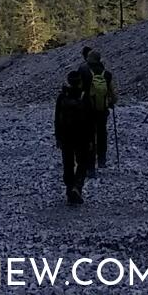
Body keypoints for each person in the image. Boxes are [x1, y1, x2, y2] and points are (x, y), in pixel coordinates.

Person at [54, 68, 96, 204]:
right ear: (80, 82)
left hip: (66, 135)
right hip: (82, 135)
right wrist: (91, 139)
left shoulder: (62, 97)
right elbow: (91, 120)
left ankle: (69, 188)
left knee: (68, 162)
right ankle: (77, 187)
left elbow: (57, 118)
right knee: (83, 162)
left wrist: (58, 137)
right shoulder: (85, 97)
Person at [82, 48, 117, 172]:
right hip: (102, 109)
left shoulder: (84, 71)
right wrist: (111, 102)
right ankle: (102, 160)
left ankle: (90, 167)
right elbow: (112, 93)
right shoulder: (106, 74)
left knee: (89, 136)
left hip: (87, 109)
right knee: (102, 134)